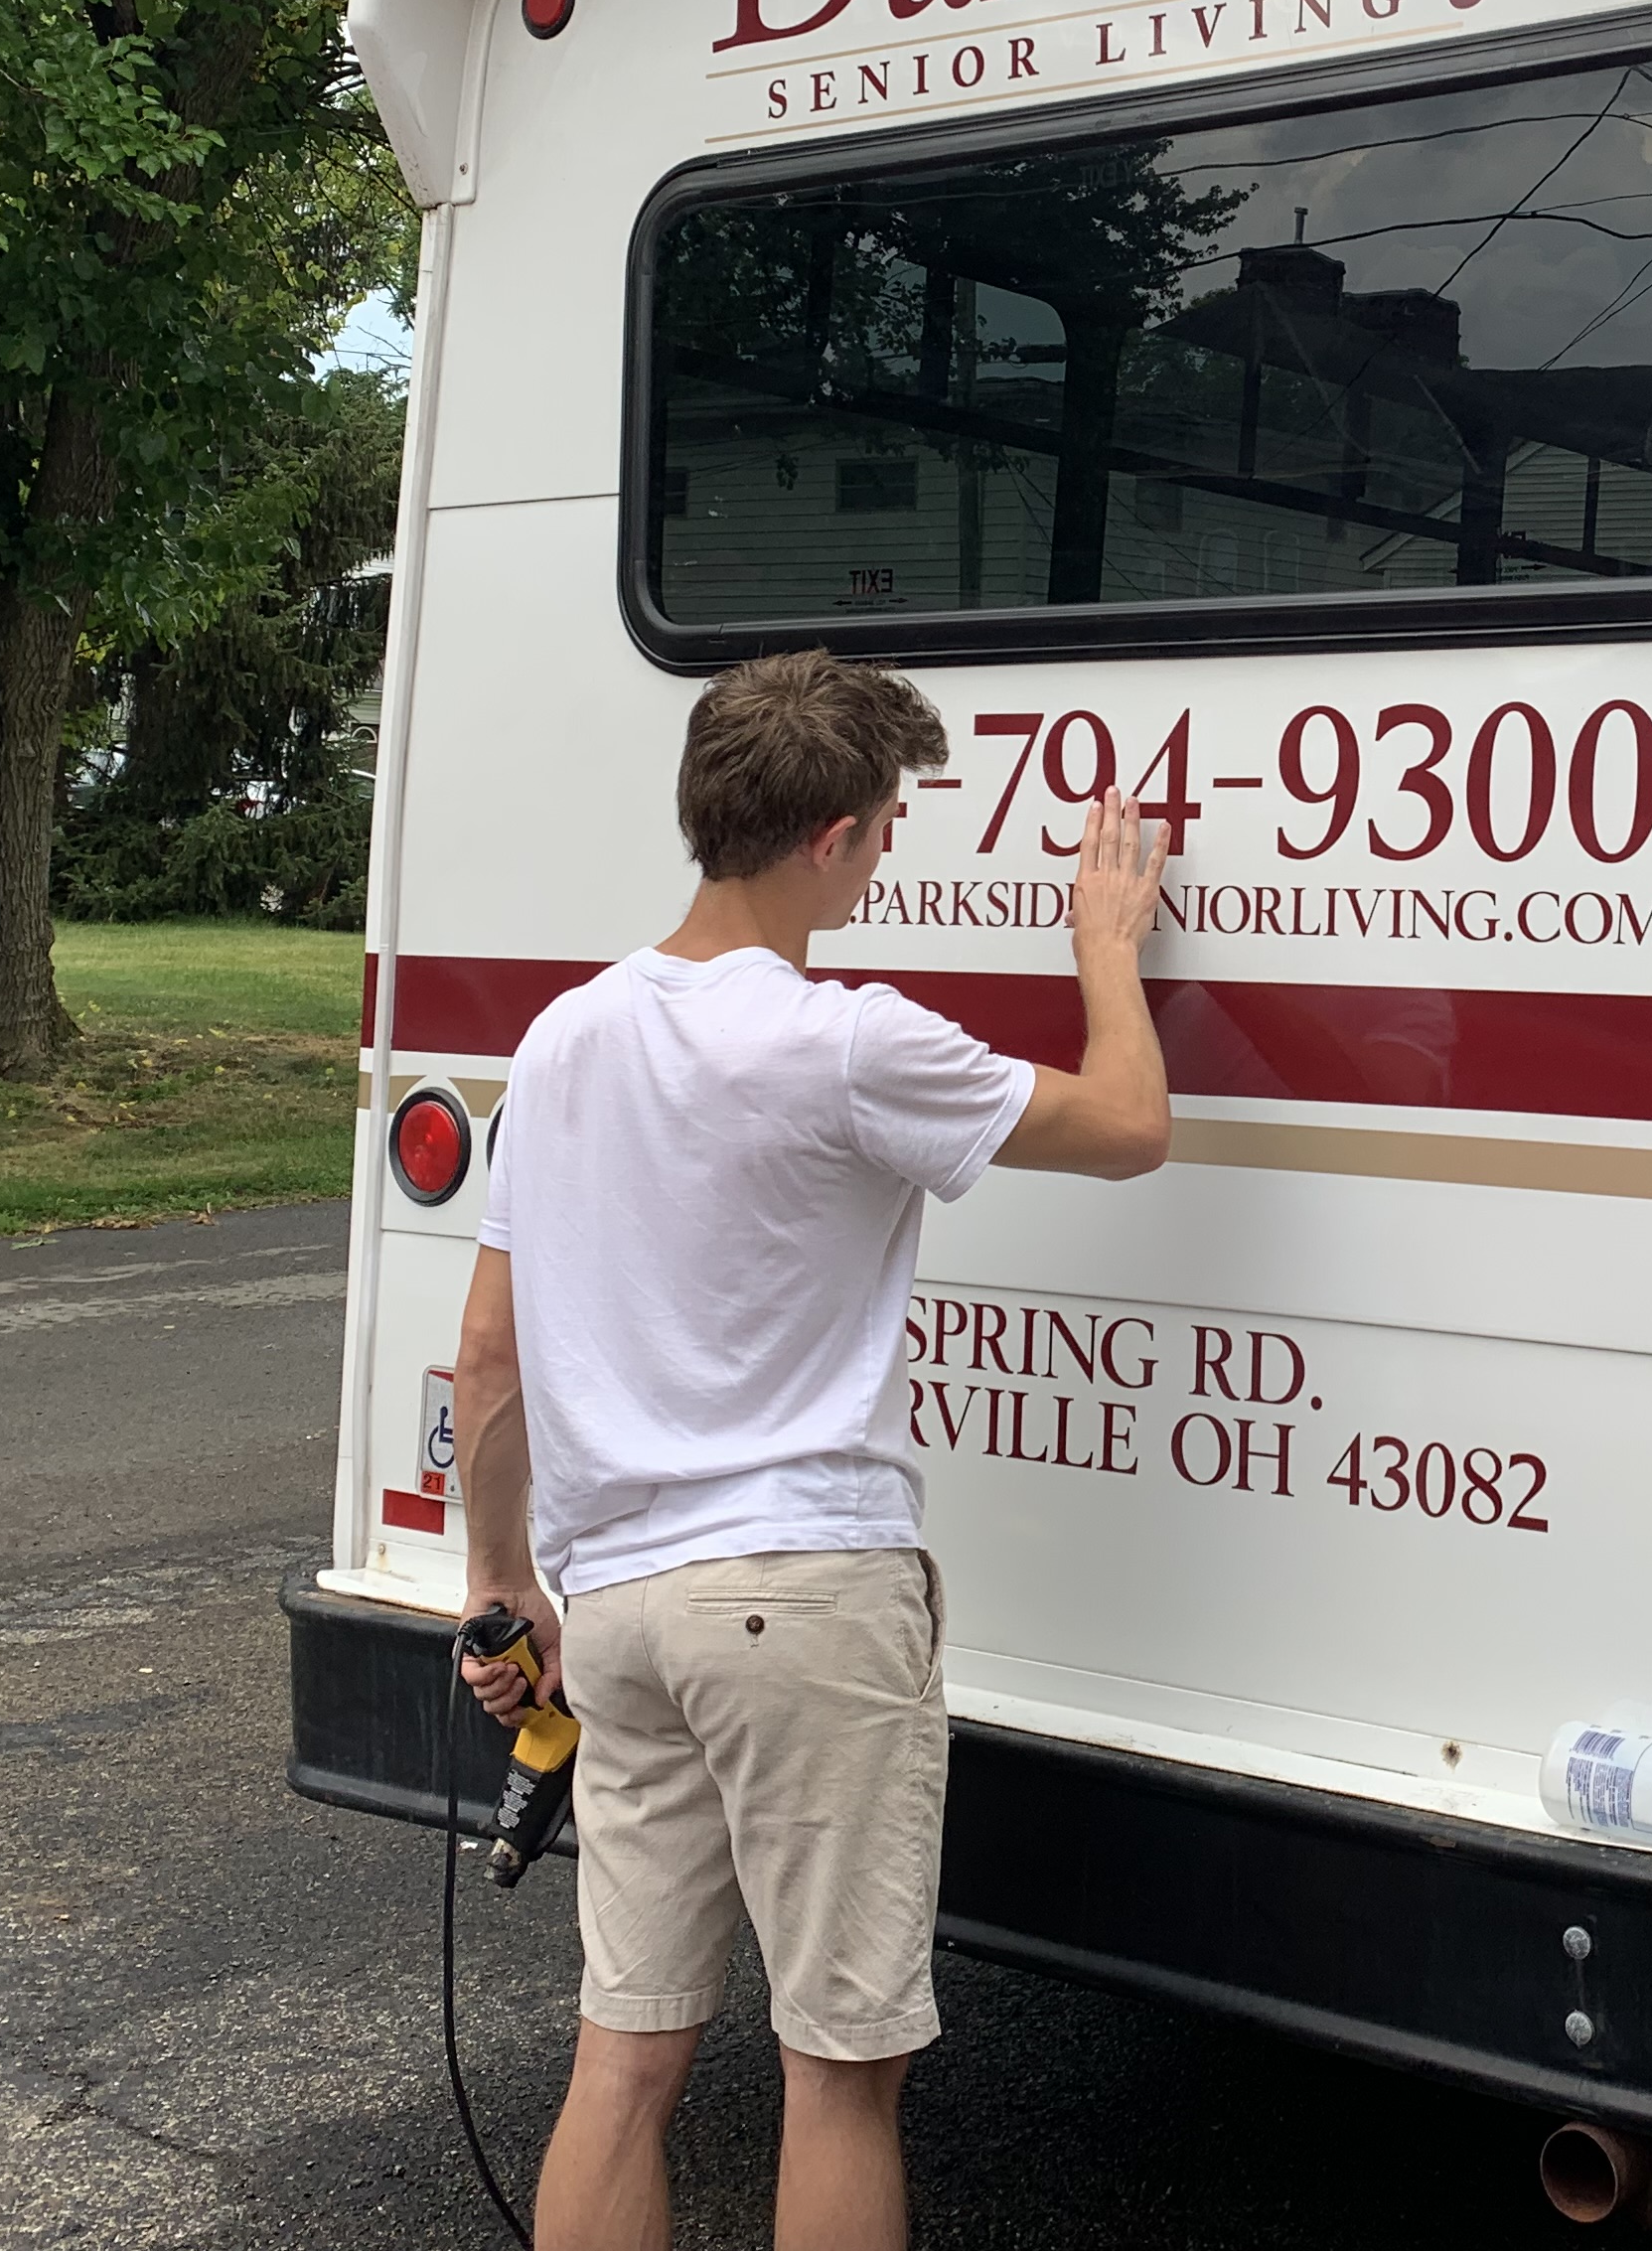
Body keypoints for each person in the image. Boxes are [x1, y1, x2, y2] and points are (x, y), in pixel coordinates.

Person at [446, 648, 1170, 2251]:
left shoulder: (562, 1040)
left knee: (624, 2060)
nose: (893, 850)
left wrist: (502, 1585)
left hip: (617, 1613)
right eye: (890, 823)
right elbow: (1131, 1127)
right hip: (801, 1592)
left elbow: (487, 1360)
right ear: (830, 838)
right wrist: (1105, 951)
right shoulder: (845, 1040)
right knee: (839, 2073)